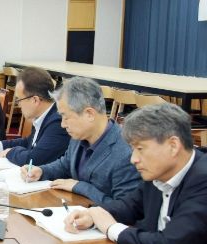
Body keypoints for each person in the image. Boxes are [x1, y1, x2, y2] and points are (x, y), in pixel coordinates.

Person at [65, 103, 207, 244]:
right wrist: (93, 216)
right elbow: (129, 206)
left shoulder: (202, 180)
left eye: (140, 149)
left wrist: (112, 228)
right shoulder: (158, 171)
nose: (133, 159)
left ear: (173, 146)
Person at [22, 77, 141, 206]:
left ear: (89, 114)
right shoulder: (79, 136)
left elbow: (124, 207)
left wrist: (80, 186)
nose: (62, 124)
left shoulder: (125, 153)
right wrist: (42, 171)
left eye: (66, 117)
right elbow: (65, 165)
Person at [0, 67, 70, 165]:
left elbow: (33, 160)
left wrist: (10, 152)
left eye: (19, 100)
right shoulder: (43, 114)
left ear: (35, 100)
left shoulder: (58, 122)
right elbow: (28, 142)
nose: (18, 105)